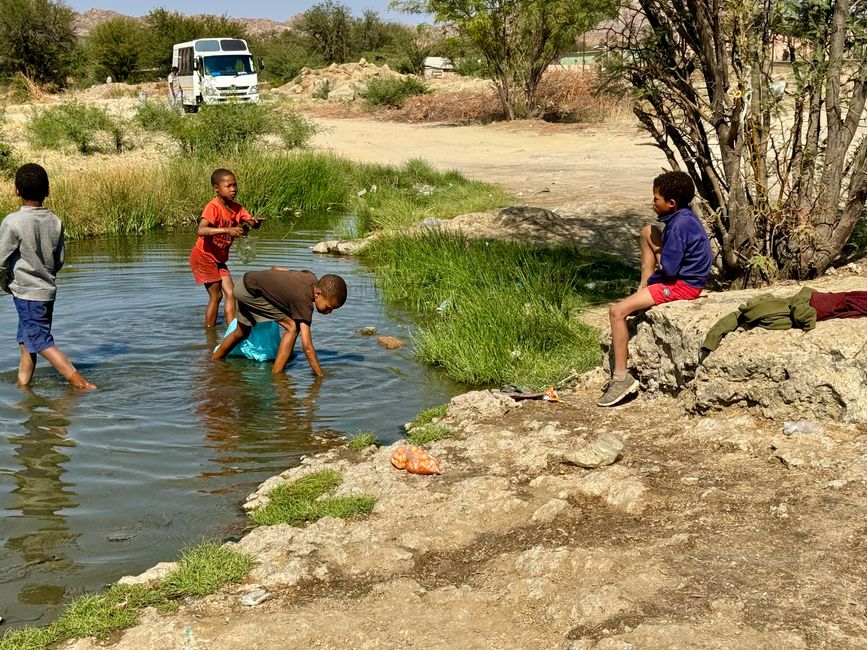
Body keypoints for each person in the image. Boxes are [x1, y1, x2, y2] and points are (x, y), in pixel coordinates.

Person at [598, 170, 711, 407]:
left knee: (617, 312)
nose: (652, 203)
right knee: (647, 231)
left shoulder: (679, 227)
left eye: (655, 199)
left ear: (671, 203)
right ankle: (644, 289)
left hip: (683, 286)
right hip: (683, 279)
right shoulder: (684, 217)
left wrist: (661, 257)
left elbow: (669, 269)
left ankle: (621, 378)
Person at [0, 163, 96, 390]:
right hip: (45, 291)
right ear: (48, 191)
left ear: (16, 190)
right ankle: (23, 387)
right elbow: (58, 259)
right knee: (27, 342)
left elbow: (0, 260)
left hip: (27, 293)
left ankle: (81, 384)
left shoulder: (12, 222)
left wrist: (4, 283)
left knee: (40, 342)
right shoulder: (55, 221)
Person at [213, 268, 347, 376]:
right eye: (329, 307)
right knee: (292, 327)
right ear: (318, 294)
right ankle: (277, 374)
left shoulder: (310, 277)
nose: (329, 312)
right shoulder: (304, 302)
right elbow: (307, 346)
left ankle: (215, 359)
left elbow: (277, 269)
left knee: (241, 332)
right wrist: (320, 374)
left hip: (244, 283)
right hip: (250, 293)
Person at [189, 168, 263, 328]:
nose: (233, 189)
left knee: (232, 293)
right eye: (228, 186)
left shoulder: (237, 208)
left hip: (218, 259)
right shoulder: (213, 207)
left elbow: (249, 221)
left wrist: (255, 222)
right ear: (216, 188)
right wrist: (227, 230)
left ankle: (232, 331)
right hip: (204, 257)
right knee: (216, 296)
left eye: (235, 185)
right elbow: (201, 230)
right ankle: (210, 333)